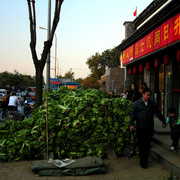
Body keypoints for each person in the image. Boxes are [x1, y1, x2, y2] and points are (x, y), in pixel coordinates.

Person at [129, 88, 166, 168]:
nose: (148, 97)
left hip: (149, 128)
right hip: (140, 128)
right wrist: (131, 124)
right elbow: (133, 115)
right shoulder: (136, 104)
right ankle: (143, 162)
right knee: (142, 145)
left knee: (147, 145)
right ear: (143, 94)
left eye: (149, 95)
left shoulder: (152, 104)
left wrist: (164, 121)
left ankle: (145, 160)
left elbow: (158, 113)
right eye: (147, 95)